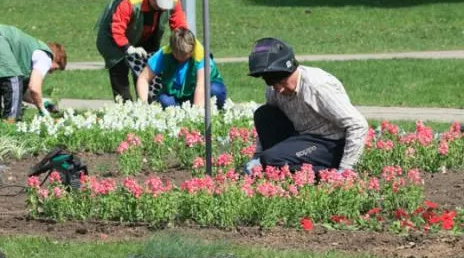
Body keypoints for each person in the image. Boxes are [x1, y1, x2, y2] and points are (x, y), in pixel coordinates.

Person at [244, 37, 368, 174]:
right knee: (264, 114)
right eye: (271, 82)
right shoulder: (273, 90)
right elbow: (267, 128)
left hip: (330, 143)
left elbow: (358, 124)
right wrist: (256, 157)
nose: (278, 88)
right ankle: (272, 165)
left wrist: (345, 170)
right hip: (302, 138)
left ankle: (326, 174)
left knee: (271, 160)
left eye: (282, 81)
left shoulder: (317, 87)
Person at [95, 0, 188, 102]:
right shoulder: (130, 0)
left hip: (145, 33)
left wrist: (182, 43)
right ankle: (124, 109)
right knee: (119, 69)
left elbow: (179, 24)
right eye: (159, 3)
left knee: (146, 68)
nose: (162, 9)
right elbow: (117, 28)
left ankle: (146, 106)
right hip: (114, 36)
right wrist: (128, 48)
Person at [0, 23, 67, 121]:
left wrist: (43, 102)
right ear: (56, 58)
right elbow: (34, 88)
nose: (51, 72)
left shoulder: (31, 50)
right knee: (14, 81)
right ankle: (9, 127)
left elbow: (23, 93)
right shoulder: (46, 56)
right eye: (56, 68)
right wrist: (42, 111)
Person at [136, 28, 227, 110]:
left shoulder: (200, 56)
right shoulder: (164, 54)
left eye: (186, 56)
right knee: (164, 101)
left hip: (204, 89)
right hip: (178, 94)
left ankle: (213, 112)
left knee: (215, 90)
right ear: (172, 50)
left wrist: (195, 114)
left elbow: (201, 87)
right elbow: (143, 78)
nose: (182, 59)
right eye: (179, 56)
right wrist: (144, 105)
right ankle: (180, 113)